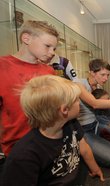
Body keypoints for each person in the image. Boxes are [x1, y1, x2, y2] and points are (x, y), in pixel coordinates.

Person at [2, 75, 104, 185]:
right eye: (76, 99)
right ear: (64, 110)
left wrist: (95, 168)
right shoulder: (24, 156)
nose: (79, 102)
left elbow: (83, 147)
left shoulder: (71, 123)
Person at [0, 20, 58, 157]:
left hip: (46, 140)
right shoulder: (2, 67)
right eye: (47, 46)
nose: (52, 52)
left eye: (54, 48)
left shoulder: (49, 71)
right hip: (16, 145)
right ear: (26, 38)